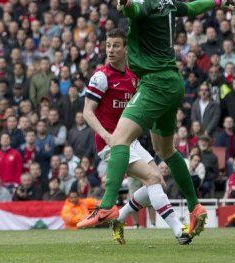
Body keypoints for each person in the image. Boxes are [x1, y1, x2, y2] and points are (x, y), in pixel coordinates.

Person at [77, 0, 234, 237]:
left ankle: (107, 207)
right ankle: (195, 206)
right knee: (166, 151)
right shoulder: (166, 1)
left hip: (155, 83)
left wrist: (124, 2)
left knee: (120, 139)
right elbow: (192, 7)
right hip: (173, 83)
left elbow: (134, 9)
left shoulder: (144, 1)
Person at [78, 28, 192, 244]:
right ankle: (179, 230)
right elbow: (87, 111)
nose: (110, 50)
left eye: (116, 46)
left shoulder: (134, 77)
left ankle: (119, 217)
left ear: (126, 49)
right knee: (152, 179)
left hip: (131, 140)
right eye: (108, 46)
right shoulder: (101, 77)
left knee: (158, 182)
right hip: (110, 144)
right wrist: (106, 135)